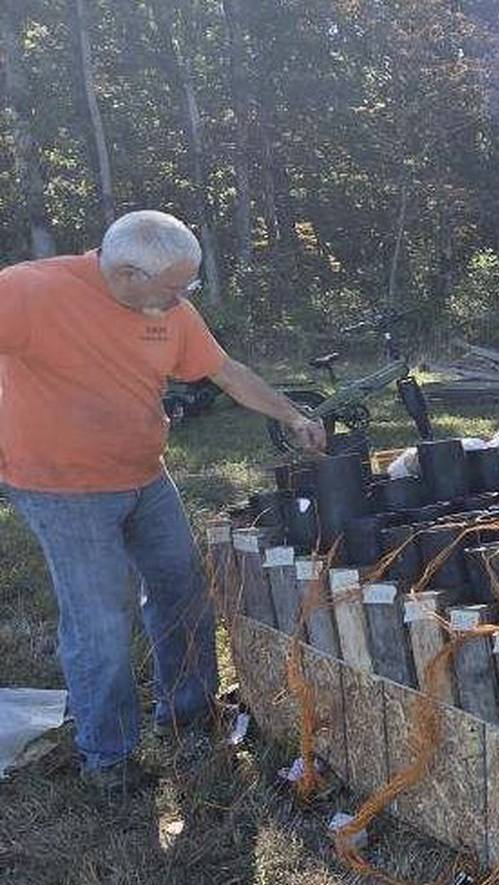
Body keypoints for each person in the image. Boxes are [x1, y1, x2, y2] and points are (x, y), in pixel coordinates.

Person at [0, 210, 326, 795]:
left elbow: (226, 371)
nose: (181, 301)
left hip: (143, 477)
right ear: (127, 273)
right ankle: (109, 757)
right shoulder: (30, 291)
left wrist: (291, 414)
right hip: (60, 488)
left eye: (187, 288)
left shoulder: (168, 310)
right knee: (101, 619)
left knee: (182, 591)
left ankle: (189, 710)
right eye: (174, 288)